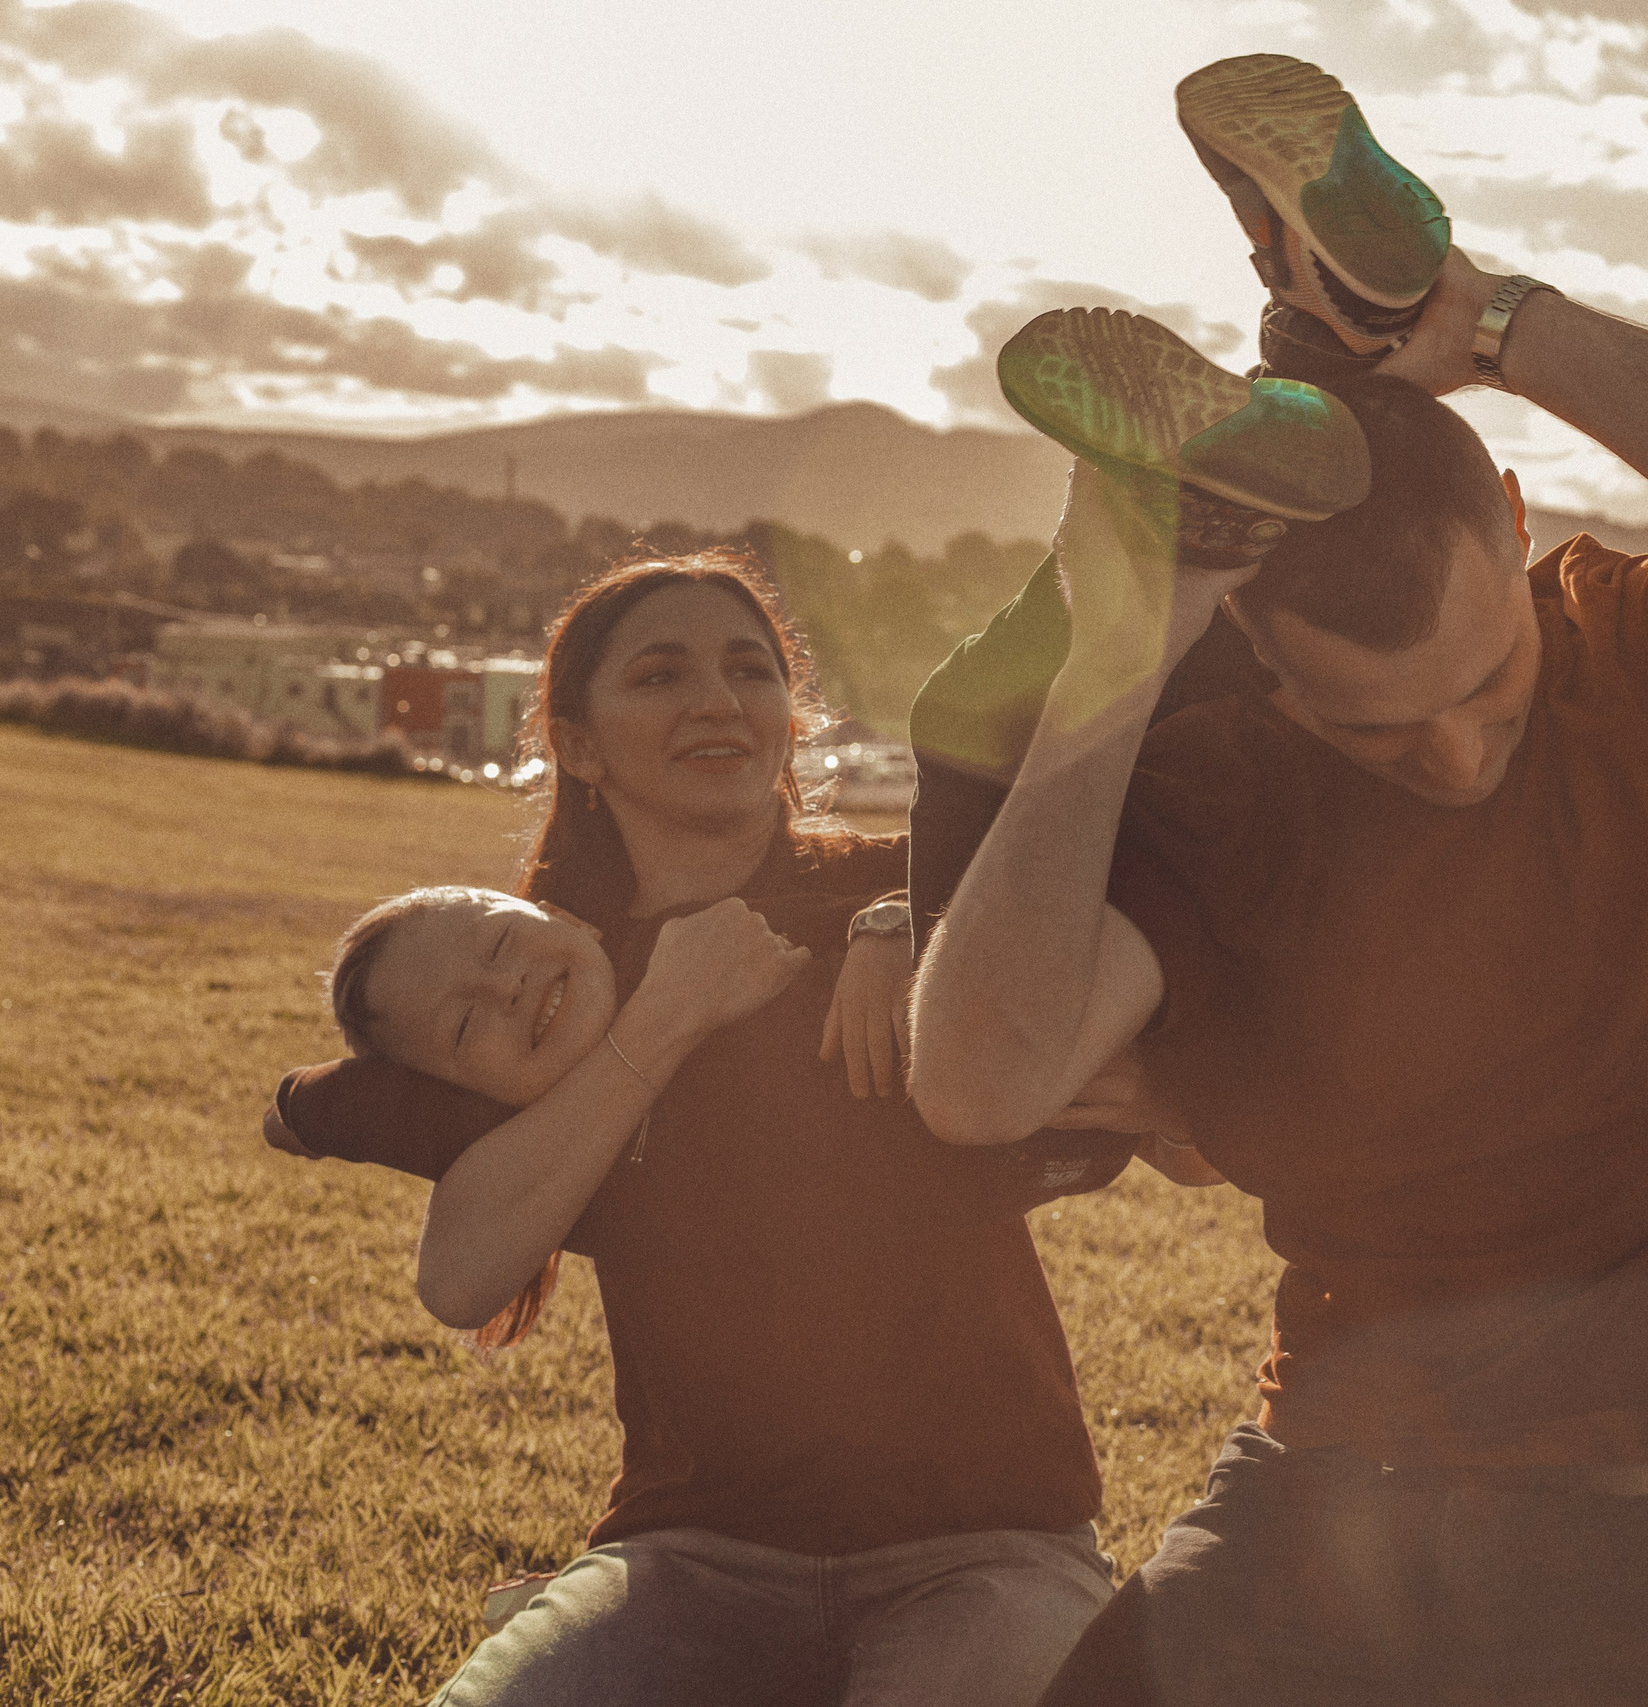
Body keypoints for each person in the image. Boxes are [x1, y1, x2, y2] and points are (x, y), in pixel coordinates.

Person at [906, 54, 1648, 1705]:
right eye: (1382, 733)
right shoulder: (1224, 785)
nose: (1455, 755)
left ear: (1523, 521)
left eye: (1490, 687)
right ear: (1258, 655)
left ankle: (1329, 347)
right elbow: (975, 1078)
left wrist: (1494, 327)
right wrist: (1130, 639)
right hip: (1312, 1497)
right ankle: (1270, 402)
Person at [262, 553, 1162, 1707]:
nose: (716, 702)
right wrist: (663, 1019)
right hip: (689, 1558)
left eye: (750, 669)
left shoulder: (920, 881)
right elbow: (455, 1266)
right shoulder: (551, 995)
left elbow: (1134, 911)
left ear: (793, 717)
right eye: (660, 675)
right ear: (578, 747)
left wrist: (900, 922)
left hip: (987, 1544)